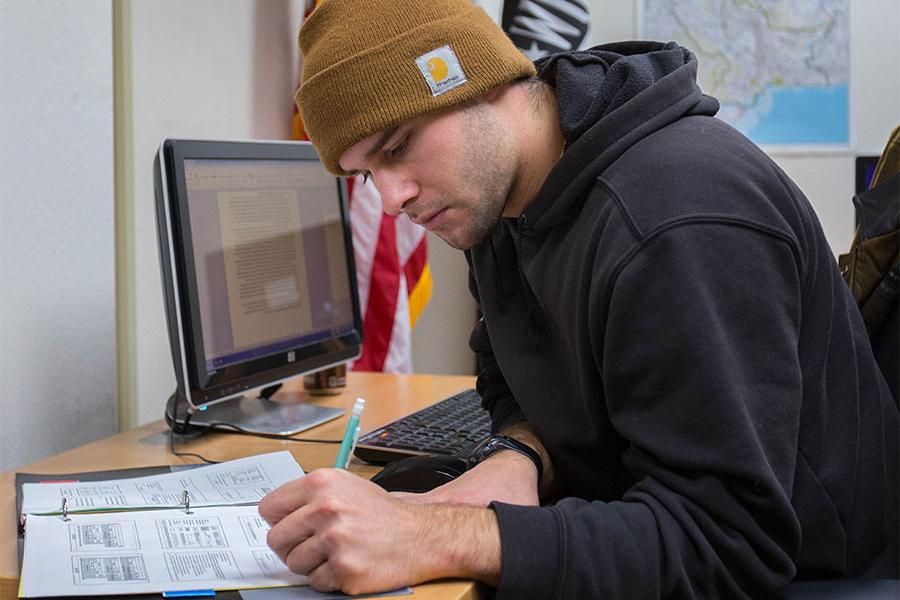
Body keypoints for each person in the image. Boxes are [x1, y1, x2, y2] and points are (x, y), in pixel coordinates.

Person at [258, 0, 900, 597]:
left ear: (481, 82)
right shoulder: (497, 197)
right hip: (642, 523)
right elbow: (506, 372)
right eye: (367, 172)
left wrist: (439, 535)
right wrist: (522, 454)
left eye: (397, 146)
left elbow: (729, 544)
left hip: (812, 577)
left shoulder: (677, 219)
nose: (391, 198)